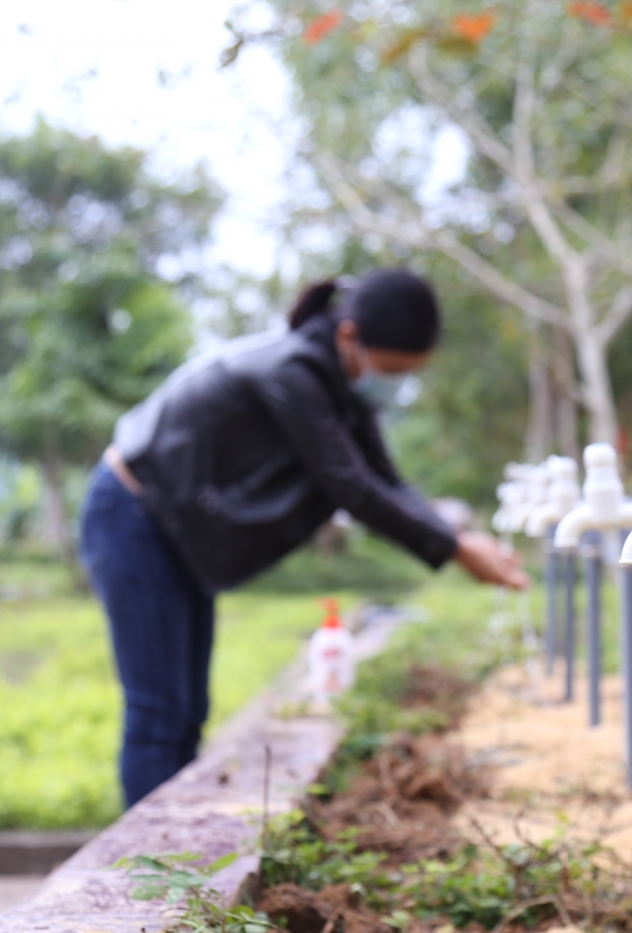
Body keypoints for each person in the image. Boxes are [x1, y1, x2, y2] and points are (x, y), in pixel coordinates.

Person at [80, 268, 527, 806]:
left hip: (174, 525)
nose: (395, 384)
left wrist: (455, 534)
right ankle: (151, 879)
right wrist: (455, 551)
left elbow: (385, 479)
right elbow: (349, 485)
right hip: (134, 514)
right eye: (391, 369)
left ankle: (170, 856)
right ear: (348, 337)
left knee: (187, 709)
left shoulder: (339, 388)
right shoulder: (291, 373)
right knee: (160, 712)